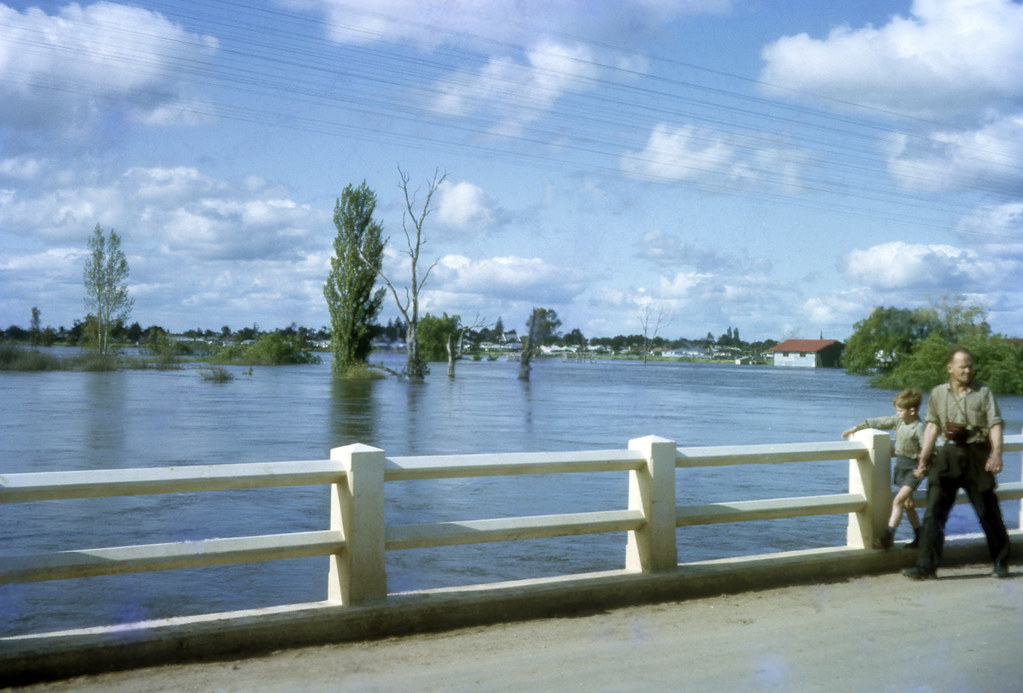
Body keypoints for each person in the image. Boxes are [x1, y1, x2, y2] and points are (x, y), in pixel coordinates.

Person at [903, 346, 1010, 580]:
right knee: (933, 513)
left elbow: (995, 424)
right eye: (963, 366)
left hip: (977, 455)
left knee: (988, 512)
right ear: (950, 368)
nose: (968, 370)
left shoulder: (983, 392)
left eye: (970, 366)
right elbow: (932, 426)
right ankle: (926, 566)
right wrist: (923, 460)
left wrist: (996, 455)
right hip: (948, 455)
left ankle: (1001, 562)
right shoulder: (939, 393)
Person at [842, 388, 926, 550]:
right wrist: (858, 427)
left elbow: (927, 449)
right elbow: (880, 422)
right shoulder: (899, 421)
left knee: (898, 501)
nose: (898, 413)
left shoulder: (919, 428)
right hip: (901, 467)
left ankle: (886, 537)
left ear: (912, 410)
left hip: (913, 470)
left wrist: (923, 467)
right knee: (908, 505)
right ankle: (920, 536)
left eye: (900, 410)